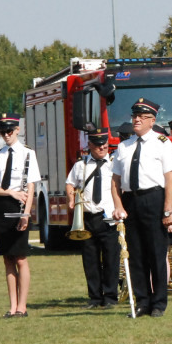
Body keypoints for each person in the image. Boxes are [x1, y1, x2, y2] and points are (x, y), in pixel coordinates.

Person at [111, 98, 172, 318]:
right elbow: (115, 180)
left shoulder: (162, 142)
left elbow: (170, 177)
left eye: (142, 117)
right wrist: (118, 205)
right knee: (136, 254)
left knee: (156, 253)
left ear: (152, 120)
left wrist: (168, 211)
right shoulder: (124, 146)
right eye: (134, 116)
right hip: (132, 200)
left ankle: (158, 302)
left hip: (154, 199)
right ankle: (142, 301)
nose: (136, 120)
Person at [0, 113, 42, 318]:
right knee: (7, 258)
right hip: (2, 205)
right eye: (2, 132)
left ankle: (23, 306)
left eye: (9, 131)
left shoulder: (28, 154)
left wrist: (26, 213)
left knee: (21, 258)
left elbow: (32, 185)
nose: (6, 135)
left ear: (17, 129)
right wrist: (9, 191)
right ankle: (12, 305)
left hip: (20, 206)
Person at [65, 128, 120, 309]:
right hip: (88, 218)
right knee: (90, 260)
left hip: (108, 218)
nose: (102, 147)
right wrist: (71, 198)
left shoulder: (114, 163)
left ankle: (111, 297)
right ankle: (95, 297)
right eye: (97, 144)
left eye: (104, 144)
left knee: (111, 259)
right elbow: (70, 183)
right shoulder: (81, 165)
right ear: (89, 145)